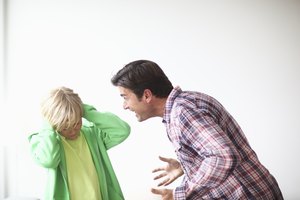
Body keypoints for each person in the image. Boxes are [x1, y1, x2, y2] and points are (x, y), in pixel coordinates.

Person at [111, 60, 283, 200]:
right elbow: (216, 153)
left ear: (147, 95)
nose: (124, 106)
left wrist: (180, 195)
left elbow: (223, 156)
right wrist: (187, 167)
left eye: (125, 97)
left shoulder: (183, 112)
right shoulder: (185, 104)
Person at [28, 86, 130, 200]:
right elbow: (49, 160)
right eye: (65, 128)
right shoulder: (45, 141)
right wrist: (47, 124)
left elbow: (122, 131)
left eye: (76, 123)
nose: (72, 131)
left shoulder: (92, 134)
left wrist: (82, 110)